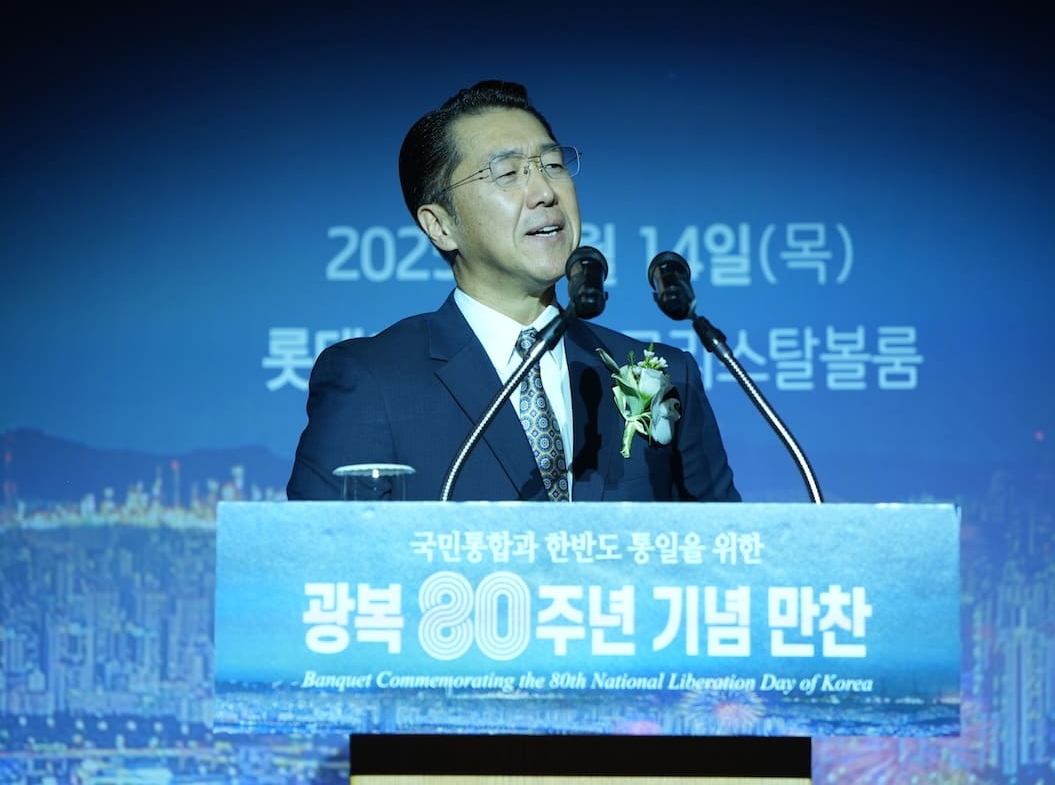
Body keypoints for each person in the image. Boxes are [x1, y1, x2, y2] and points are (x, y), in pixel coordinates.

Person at [285, 80, 740, 502]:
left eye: (554, 166)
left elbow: (727, 558)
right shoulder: (373, 380)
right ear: (440, 225)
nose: (545, 191)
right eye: (508, 174)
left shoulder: (663, 374)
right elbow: (324, 565)